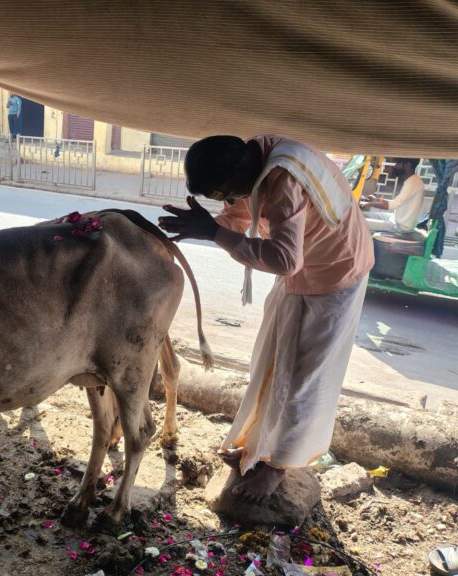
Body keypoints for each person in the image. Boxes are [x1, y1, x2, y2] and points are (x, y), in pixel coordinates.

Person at [158, 135, 374, 502]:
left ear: (241, 169)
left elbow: (285, 260)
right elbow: (243, 209)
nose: (227, 201)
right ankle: (256, 445)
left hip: (335, 273)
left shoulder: (283, 179)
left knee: (305, 377)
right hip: (302, 273)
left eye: (224, 192)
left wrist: (212, 232)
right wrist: (208, 227)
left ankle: (277, 469)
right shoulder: (255, 156)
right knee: (271, 362)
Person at [361, 158, 425, 234]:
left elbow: (392, 205)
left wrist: (368, 204)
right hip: (396, 219)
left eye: (398, 163)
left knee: (358, 222)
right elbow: (396, 202)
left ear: (407, 165)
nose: (395, 166)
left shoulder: (413, 182)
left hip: (401, 226)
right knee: (362, 215)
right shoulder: (413, 180)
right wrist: (375, 200)